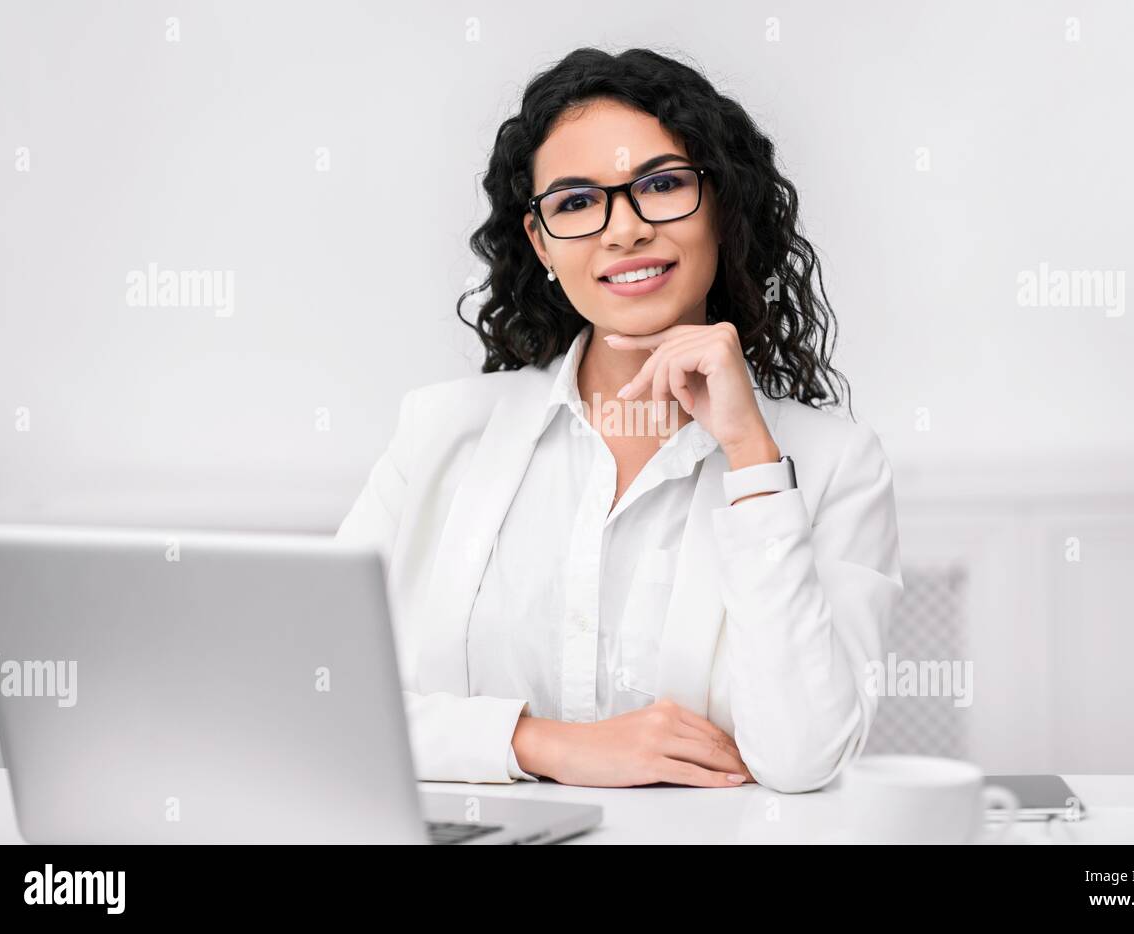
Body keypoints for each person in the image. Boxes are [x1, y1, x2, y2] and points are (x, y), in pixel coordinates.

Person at [335, 47, 903, 794]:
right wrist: (545, 745)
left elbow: (804, 758)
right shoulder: (439, 434)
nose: (624, 230)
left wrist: (752, 458)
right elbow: (319, 703)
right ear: (540, 242)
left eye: (662, 186)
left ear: (721, 207)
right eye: (575, 202)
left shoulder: (834, 464)